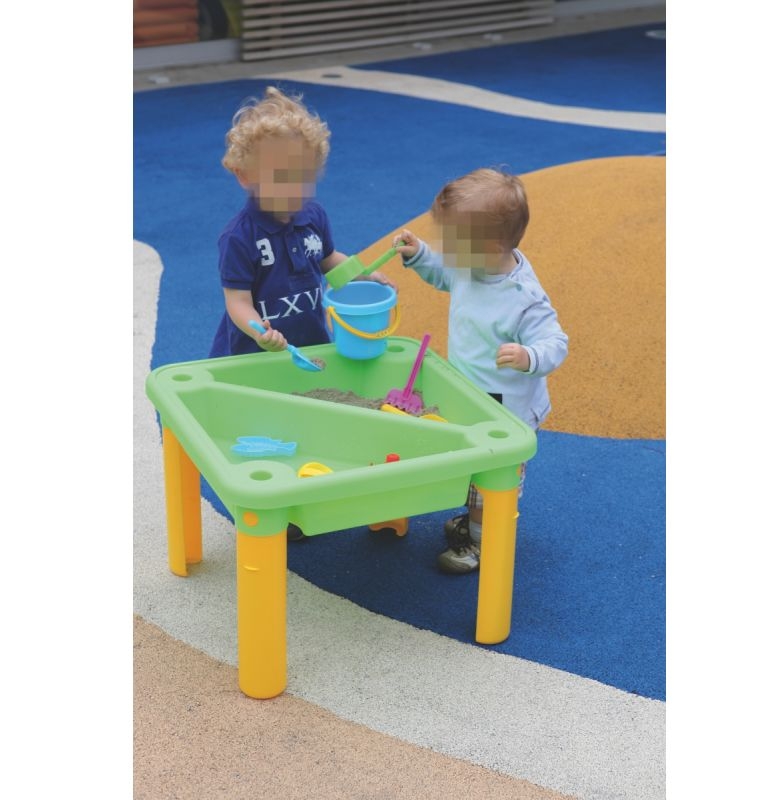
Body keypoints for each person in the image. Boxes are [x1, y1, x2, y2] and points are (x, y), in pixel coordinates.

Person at [210, 85, 391, 539]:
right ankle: (278, 504)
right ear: (244, 176)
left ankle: (313, 488)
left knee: (312, 416)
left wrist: (362, 276)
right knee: (268, 426)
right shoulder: (239, 237)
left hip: (311, 342)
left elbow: (327, 260)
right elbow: (236, 301)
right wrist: (259, 331)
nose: (294, 189)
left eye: (303, 176)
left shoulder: (313, 215)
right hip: (259, 354)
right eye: (280, 177)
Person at [392, 168, 568, 574]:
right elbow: (442, 274)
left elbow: (555, 343)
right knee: (471, 470)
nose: (445, 249)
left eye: (450, 243)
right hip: (473, 398)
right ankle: (474, 522)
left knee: (492, 482)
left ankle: (483, 544)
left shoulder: (523, 296)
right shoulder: (469, 265)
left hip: (507, 413)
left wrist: (528, 356)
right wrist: (420, 256)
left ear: (488, 247)